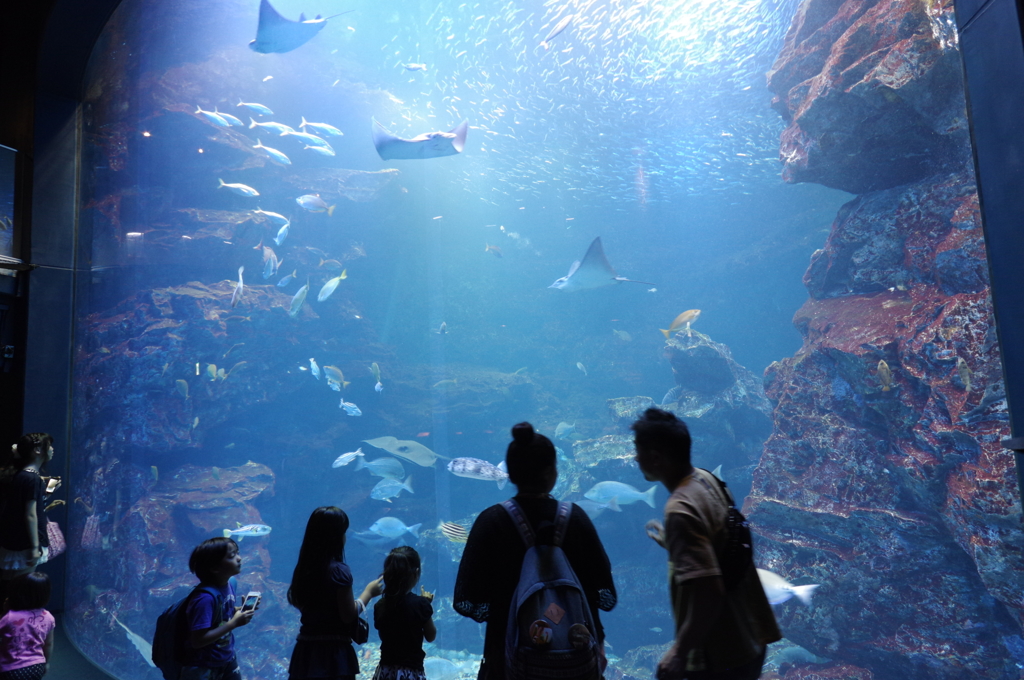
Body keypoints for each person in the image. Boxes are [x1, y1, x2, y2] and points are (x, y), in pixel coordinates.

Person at [454, 422, 617, 680]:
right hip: (577, 655)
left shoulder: (491, 521)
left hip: (507, 657)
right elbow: (605, 594)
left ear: (512, 475)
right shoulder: (576, 519)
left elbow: (466, 600)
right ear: (553, 473)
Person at [632, 408, 780, 680]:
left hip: (723, 651)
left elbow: (710, 594)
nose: (634, 457)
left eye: (637, 450)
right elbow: (722, 543)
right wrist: (675, 545)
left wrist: (678, 652)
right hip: (752, 632)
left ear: (655, 458)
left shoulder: (680, 510)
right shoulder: (707, 479)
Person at [287, 506, 382, 680]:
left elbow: (297, 600)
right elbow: (348, 616)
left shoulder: (303, 569)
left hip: (305, 650)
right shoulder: (339, 571)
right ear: (335, 537)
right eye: (343, 532)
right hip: (334, 653)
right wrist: (369, 592)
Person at [181, 537, 255, 680]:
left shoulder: (229, 584)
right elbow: (198, 640)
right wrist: (234, 623)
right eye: (231, 556)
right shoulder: (204, 599)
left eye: (237, 553)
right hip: (202, 666)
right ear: (214, 567)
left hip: (226, 658)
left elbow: (220, 615)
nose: (239, 558)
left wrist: (238, 611)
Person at [0, 434, 61, 590]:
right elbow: (30, 514)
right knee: (19, 588)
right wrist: (35, 547)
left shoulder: (22, 475)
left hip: (16, 540)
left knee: (10, 585)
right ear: (37, 450)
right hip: (26, 544)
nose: (52, 450)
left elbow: (31, 503)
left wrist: (48, 491)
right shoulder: (32, 478)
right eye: (49, 446)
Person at [371, 547, 436, 680]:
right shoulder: (421, 604)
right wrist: (426, 606)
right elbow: (431, 635)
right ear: (416, 573)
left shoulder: (380, 605)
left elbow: (385, 635)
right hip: (410, 672)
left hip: (385, 672)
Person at [0, 572, 54, 680]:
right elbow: (48, 644)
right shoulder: (48, 617)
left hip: (10, 668)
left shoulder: (9, 617)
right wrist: (46, 663)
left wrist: (4, 611)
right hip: (37, 667)